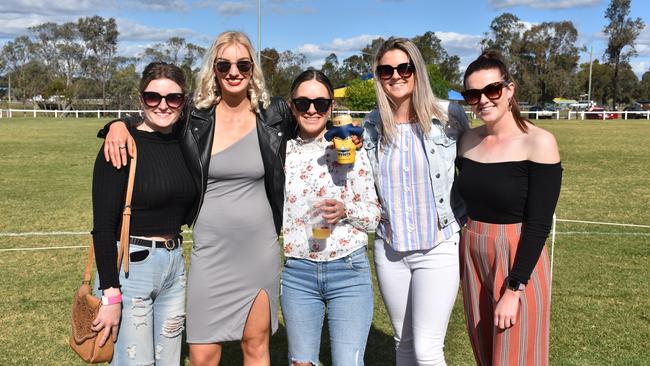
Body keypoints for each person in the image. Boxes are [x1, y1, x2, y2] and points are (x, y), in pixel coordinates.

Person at [101, 31, 296, 366]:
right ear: (214, 70)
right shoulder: (197, 116)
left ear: (253, 68)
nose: (234, 72)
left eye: (242, 64)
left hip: (258, 249)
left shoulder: (273, 114)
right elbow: (157, 113)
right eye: (224, 64)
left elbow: (314, 121)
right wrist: (118, 125)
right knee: (203, 354)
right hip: (210, 252)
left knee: (255, 344)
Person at [362, 37, 470, 365]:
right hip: (390, 250)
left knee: (427, 349)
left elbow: (475, 166)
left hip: (438, 247)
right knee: (404, 344)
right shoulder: (371, 125)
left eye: (404, 67)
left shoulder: (449, 116)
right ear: (378, 76)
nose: (395, 75)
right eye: (386, 70)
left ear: (416, 70)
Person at [456, 50, 562, 366]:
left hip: (517, 255)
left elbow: (540, 223)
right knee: (485, 354)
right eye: (473, 94)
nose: (483, 100)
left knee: (516, 357)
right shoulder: (467, 141)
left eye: (492, 90)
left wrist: (514, 289)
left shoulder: (539, 142)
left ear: (510, 89)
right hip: (472, 250)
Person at [91, 62, 196, 365]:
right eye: (153, 97)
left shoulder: (186, 141)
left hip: (174, 266)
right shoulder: (121, 144)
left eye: (173, 98)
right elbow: (103, 228)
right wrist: (111, 295)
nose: (163, 105)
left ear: (183, 101)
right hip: (130, 268)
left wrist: (116, 121)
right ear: (141, 99)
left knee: (168, 361)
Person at [280, 70, 380, 366]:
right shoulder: (281, 151)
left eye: (321, 103)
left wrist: (345, 211)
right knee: (301, 363)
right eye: (303, 102)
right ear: (291, 106)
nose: (312, 109)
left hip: (348, 269)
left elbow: (374, 217)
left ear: (331, 108)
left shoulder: (350, 149)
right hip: (298, 271)